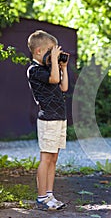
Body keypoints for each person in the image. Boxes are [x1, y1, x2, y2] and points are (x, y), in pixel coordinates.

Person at [27, 30, 69, 210]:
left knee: (53, 158)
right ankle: (41, 197)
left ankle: (50, 194)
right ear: (38, 52)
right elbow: (53, 79)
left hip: (59, 117)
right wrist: (53, 63)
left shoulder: (48, 68)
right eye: (50, 52)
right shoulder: (34, 70)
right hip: (48, 119)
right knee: (46, 158)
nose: (54, 55)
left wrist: (63, 68)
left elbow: (64, 86)